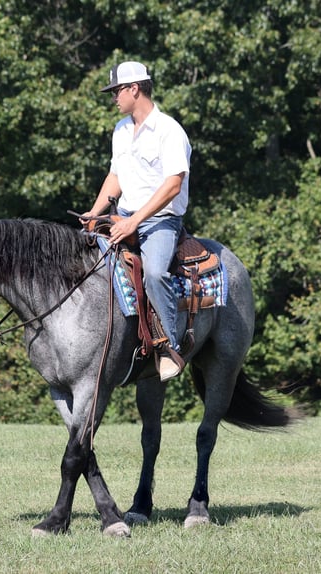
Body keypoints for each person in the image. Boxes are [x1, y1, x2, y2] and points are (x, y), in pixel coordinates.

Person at [82, 60, 191, 382]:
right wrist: (92, 214)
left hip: (159, 222)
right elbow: (115, 176)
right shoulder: (121, 130)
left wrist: (135, 222)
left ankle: (170, 346)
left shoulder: (169, 130)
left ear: (134, 89)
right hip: (124, 216)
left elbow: (173, 183)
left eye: (117, 91)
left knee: (156, 273)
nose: (114, 97)